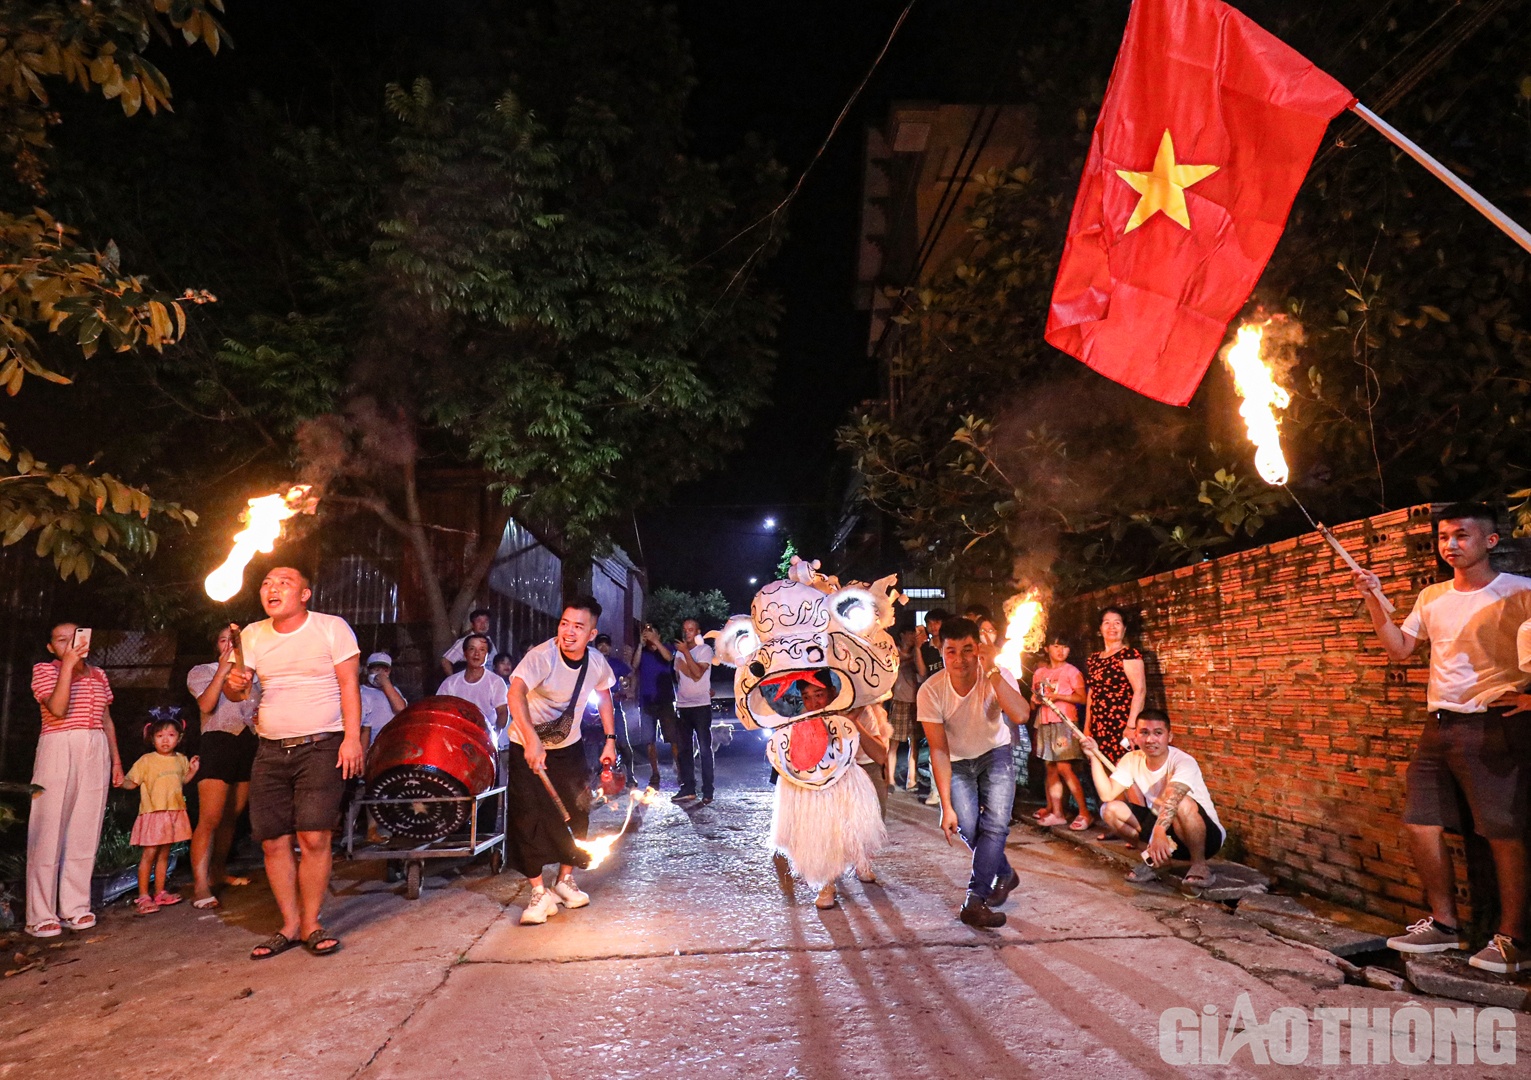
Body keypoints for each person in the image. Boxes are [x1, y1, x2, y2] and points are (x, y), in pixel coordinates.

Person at [1354, 503, 1531, 974]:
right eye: (1444, 537)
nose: (1450, 545)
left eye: (1461, 536)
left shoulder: (1520, 592)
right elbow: (1400, 649)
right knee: (1420, 823)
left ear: (1490, 541)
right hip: (1438, 724)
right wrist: (1374, 597)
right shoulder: (1432, 596)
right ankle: (1444, 924)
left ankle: (1513, 939)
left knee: (1502, 832)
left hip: (1491, 724)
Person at [223, 567, 363, 960]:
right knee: (272, 840)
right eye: (267, 583)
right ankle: (289, 925)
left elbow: (349, 684)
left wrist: (352, 739)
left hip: (322, 744)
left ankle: (312, 923)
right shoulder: (250, 635)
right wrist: (234, 688)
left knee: (314, 836)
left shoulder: (331, 628)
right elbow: (240, 693)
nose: (273, 588)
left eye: (284, 583)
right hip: (269, 748)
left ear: (305, 594)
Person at [506, 597, 619, 925]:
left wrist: (610, 740)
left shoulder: (596, 662)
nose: (568, 632)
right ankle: (539, 892)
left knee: (578, 809)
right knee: (529, 814)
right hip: (525, 743)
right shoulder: (541, 657)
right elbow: (515, 694)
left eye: (578, 627)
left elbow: (605, 696)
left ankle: (565, 880)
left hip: (568, 747)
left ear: (591, 633)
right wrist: (530, 740)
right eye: (564, 623)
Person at [919, 616, 1032, 929]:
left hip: (995, 753)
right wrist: (945, 805)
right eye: (951, 651)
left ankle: (975, 898)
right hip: (955, 761)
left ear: (978, 649)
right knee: (966, 824)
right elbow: (939, 750)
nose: (960, 659)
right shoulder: (930, 691)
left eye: (967, 650)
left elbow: (1021, 714)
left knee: (995, 825)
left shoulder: (995, 674)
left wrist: (993, 671)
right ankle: (1004, 872)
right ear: (941, 652)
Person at [25, 621, 124, 938]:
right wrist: (67, 666)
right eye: (61, 640)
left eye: (75, 638)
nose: (69, 644)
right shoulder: (45, 670)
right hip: (59, 744)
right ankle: (39, 913)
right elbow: (57, 708)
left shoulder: (99, 675)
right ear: (51, 647)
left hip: (94, 747)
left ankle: (75, 907)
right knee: (48, 826)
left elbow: (107, 720)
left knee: (84, 827)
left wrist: (117, 762)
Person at [1082, 712, 1224, 890]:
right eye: (1144, 732)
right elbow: (1107, 794)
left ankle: (1199, 864)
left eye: (1158, 733)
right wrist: (1093, 756)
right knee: (1109, 809)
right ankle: (1156, 861)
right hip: (1165, 834)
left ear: (1169, 736)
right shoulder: (1132, 759)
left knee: (1182, 802)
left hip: (1204, 837)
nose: (1150, 739)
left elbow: (1173, 798)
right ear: (1136, 736)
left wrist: (1158, 831)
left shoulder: (1183, 761)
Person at [187, 626, 261, 909]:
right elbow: (206, 705)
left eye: (235, 641)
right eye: (223, 640)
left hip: (247, 742)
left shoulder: (254, 674)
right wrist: (221, 671)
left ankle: (218, 870)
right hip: (217, 742)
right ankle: (201, 884)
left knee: (233, 814)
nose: (230, 644)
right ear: (216, 646)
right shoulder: (201, 670)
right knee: (211, 816)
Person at [800, 677, 891, 905]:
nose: (813, 702)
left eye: (818, 694)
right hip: (827, 776)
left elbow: (880, 755)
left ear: (832, 691)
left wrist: (851, 722)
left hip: (863, 766)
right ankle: (827, 882)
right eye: (806, 697)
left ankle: (862, 859)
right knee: (826, 827)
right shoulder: (804, 716)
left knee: (869, 822)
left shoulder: (861, 709)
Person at [120, 712, 199, 914]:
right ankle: (144, 895)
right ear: (151, 738)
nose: (165, 740)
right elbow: (132, 782)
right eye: (160, 736)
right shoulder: (146, 761)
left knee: (165, 853)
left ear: (179, 738)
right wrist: (121, 781)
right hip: (154, 814)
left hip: (173, 813)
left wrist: (192, 771)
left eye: (171, 735)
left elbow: (180, 782)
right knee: (149, 854)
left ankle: (160, 892)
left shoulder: (181, 759)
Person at [1030, 636, 1091, 831]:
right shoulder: (1039, 673)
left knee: (1065, 768)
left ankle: (1084, 812)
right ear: (1047, 648)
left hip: (1064, 723)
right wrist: (1037, 700)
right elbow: (1034, 701)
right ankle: (1057, 812)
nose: (1060, 650)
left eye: (1065, 646)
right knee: (1050, 768)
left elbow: (1082, 698)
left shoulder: (1072, 672)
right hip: (1045, 723)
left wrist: (1057, 696)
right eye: (1056, 646)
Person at [1085, 606, 1145, 765]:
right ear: (1100, 628)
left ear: (1124, 629)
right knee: (1101, 771)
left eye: (1117, 623)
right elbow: (1092, 693)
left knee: (1123, 772)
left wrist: (1131, 726)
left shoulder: (1129, 655)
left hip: (1121, 724)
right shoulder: (1094, 659)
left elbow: (1140, 691)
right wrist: (1087, 727)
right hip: (1099, 725)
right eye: (1107, 623)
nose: (1112, 627)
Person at [671, 618, 717, 805]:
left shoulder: (704, 650)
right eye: (684, 630)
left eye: (691, 630)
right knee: (684, 750)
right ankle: (688, 788)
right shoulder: (679, 653)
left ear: (697, 632)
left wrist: (686, 656)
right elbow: (682, 676)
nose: (687, 633)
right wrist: (688, 664)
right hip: (683, 705)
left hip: (701, 706)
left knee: (705, 749)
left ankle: (708, 790)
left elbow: (697, 675)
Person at [438, 634, 509, 750]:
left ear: (487, 655)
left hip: (484, 742)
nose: (477, 654)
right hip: (455, 741)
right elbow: (440, 710)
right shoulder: (450, 683)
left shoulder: (496, 682)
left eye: (482, 650)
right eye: (472, 649)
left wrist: (494, 736)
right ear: (465, 654)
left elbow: (502, 713)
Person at [628, 624, 676, 789]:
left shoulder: (667, 648)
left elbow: (669, 657)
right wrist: (641, 645)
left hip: (665, 700)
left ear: (659, 635)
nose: (648, 634)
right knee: (649, 740)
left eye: (652, 632)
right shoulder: (643, 652)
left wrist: (656, 641)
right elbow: (634, 666)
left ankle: (680, 770)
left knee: (673, 738)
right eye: (646, 632)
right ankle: (655, 773)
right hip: (647, 701)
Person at [888, 627, 926, 792]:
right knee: (893, 743)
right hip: (899, 701)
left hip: (915, 702)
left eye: (915, 634)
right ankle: (890, 779)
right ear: (902, 633)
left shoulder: (920, 653)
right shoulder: (892, 651)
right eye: (911, 632)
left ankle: (911, 780)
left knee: (914, 743)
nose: (913, 637)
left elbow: (923, 671)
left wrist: (917, 651)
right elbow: (892, 667)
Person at [358, 652, 408, 750]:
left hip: (392, 745)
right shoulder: (361, 692)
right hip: (371, 747)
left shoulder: (394, 691)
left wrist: (386, 684)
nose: (380, 674)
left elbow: (401, 709)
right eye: (376, 670)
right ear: (367, 670)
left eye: (384, 670)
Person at [440, 609, 495, 677]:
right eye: (479, 621)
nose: (483, 625)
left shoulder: (489, 641)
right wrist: (454, 681)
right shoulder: (465, 641)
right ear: (472, 624)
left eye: (486, 621)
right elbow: (445, 661)